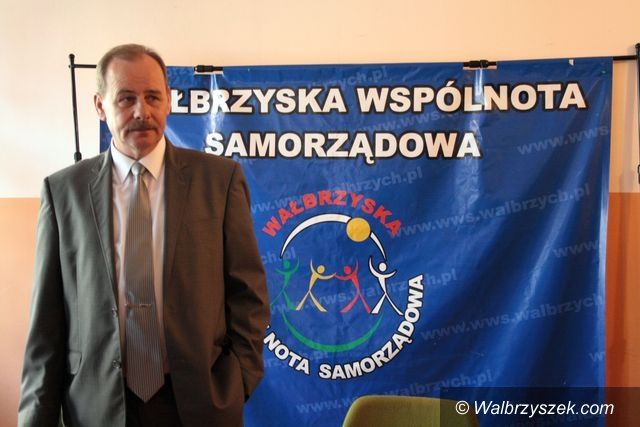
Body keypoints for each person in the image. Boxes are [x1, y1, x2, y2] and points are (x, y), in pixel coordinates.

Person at [18, 44, 270, 427]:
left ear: (168, 100)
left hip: (198, 404)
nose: (142, 111)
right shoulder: (63, 192)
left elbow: (248, 294)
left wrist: (237, 381)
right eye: (126, 98)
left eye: (153, 97)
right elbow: (46, 322)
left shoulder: (219, 182)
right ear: (100, 106)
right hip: (96, 407)